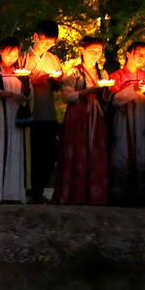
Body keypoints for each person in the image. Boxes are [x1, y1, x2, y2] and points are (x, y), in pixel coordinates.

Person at [53, 36, 109, 205]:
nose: (96, 55)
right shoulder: (74, 72)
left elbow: (107, 98)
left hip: (96, 114)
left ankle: (95, 195)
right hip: (78, 114)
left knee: (95, 151)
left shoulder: (102, 73)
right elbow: (66, 95)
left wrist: (105, 92)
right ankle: (73, 194)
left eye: (99, 52)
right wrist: (88, 91)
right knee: (77, 150)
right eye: (92, 51)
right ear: (83, 50)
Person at [107, 41, 145, 206]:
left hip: (143, 119)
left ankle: (144, 195)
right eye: (139, 53)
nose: (142, 58)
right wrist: (132, 90)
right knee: (123, 152)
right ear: (128, 54)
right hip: (124, 119)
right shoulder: (116, 77)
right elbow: (113, 101)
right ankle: (120, 194)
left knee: (144, 152)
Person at [17, 20, 63, 203]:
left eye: (52, 42)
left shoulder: (54, 59)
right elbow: (17, 82)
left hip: (47, 111)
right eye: (44, 41)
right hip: (29, 111)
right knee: (31, 153)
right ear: (35, 36)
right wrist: (35, 80)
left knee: (50, 152)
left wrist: (55, 82)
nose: (47, 45)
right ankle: (28, 189)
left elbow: (59, 83)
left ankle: (39, 189)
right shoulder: (22, 57)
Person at [0, 37, 31, 203]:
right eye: (9, 53)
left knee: (16, 151)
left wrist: (25, 84)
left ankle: (14, 193)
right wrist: (9, 94)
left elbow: (28, 96)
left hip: (16, 116)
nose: (12, 57)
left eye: (15, 53)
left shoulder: (21, 71)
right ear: (1, 51)